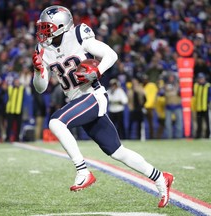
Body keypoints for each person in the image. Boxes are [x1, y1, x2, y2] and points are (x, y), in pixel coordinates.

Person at [32, 5, 173, 208]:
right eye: (42, 27)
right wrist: (38, 72)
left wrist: (97, 71)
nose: (43, 31)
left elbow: (111, 54)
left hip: (93, 96)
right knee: (117, 152)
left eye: (47, 27)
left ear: (61, 26)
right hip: (76, 101)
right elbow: (40, 88)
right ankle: (161, 178)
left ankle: (83, 171)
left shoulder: (78, 34)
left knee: (56, 122)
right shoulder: (42, 49)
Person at [193, 73, 211, 138]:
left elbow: (210, 95)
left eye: (202, 78)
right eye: (199, 78)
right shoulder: (196, 85)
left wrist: (209, 101)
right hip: (198, 107)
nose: (200, 80)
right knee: (199, 122)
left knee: (207, 122)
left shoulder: (208, 85)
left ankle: (207, 135)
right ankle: (198, 135)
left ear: (204, 78)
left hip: (205, 106)